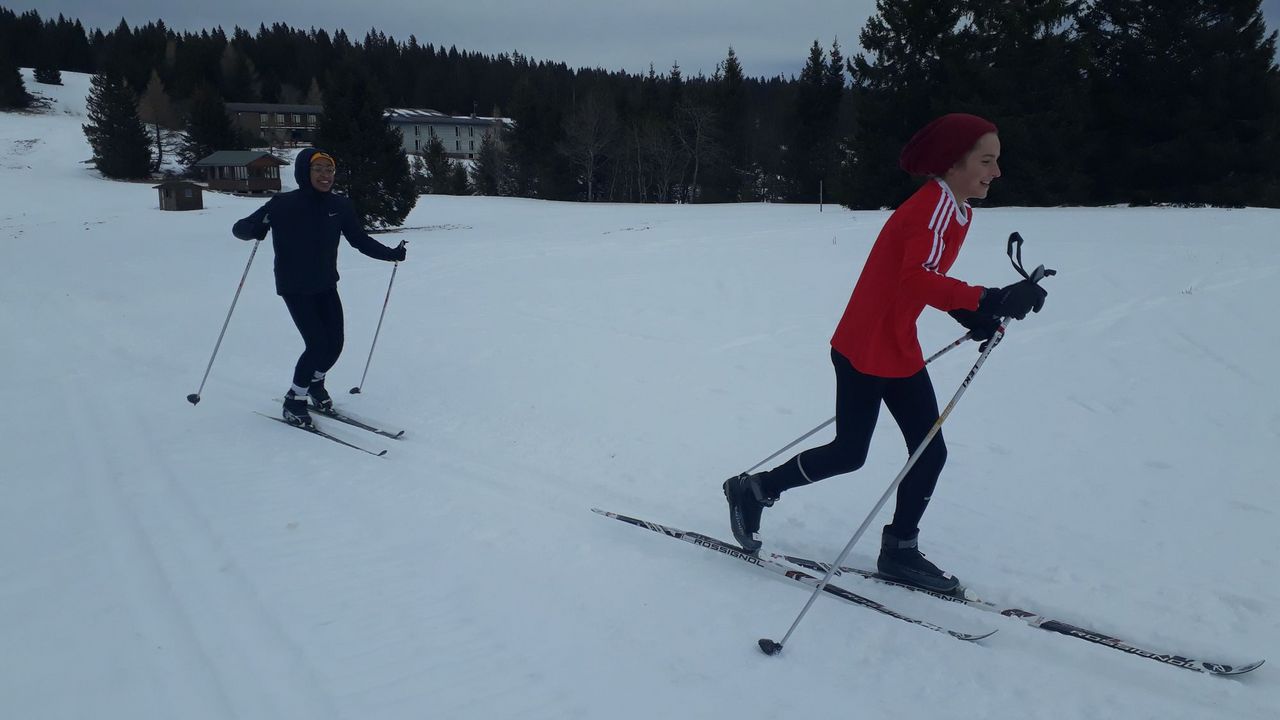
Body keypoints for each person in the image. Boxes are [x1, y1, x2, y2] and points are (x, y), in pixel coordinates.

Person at [722, 113, 1047, 592]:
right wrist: (986, 298)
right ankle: (755, 490)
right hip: (863, 346)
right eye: (986, 160)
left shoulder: (957, 209)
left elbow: (921, 278)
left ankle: (900, 550)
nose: (996, 171)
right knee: (850, 453)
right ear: (953, 163)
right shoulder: (934, 206)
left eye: (997, 161)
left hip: (896, 344)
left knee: (928, 452)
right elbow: (914, 277)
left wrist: (970, 314)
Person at [232, 148, 407, 427]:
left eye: (329, 170)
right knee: (316, 344)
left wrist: (391, 254)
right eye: (318, 170)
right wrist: (254, 228)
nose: (325, 176)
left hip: (325, 284)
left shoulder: (340, 205)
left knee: (335, 344)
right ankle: (294, 399)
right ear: (305, 172)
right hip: (295, 287)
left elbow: (359, 240)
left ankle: (315, 384)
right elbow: (240, 228)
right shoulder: (282, 204)